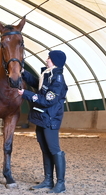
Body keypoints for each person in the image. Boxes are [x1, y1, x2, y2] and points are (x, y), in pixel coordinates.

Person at [18, 50, 67, 193]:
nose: (46, 60)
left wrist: (25, 94)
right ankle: (48, 180)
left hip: (50, 118)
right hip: (42, 117)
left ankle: (60, 183)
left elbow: (47, 100)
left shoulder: (57, 80)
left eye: (49, 58)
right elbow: (37, 84)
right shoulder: (47, 75)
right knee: (45, 149)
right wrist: (23, 72)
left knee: (54, 149)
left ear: (55, 62)